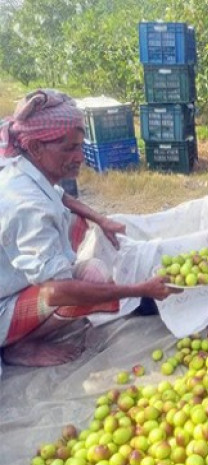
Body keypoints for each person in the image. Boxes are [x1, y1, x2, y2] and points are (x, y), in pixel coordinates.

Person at [0, 89, 178, 368]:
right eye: (68, 148)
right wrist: (138, 289)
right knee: (86, 285)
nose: (80, 157)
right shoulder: (27, 206)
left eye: (80, 146)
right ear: (35, 148)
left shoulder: (25, 168)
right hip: (4, 304)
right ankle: (18, 346)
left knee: (78, 223)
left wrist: (101, 219)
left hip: (12, 279)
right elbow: (55, 293)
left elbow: (59, 196)